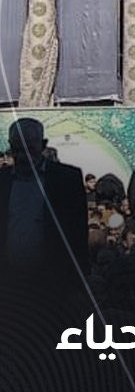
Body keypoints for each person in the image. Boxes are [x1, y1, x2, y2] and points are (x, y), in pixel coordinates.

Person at [0, 117, 88, 284]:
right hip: (7, 280)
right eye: (17, 149)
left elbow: (78, 232)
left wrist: (79, 281)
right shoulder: (2, 180)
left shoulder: (67, 180)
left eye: (29, 149)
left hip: (52, 279)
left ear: (43, 145)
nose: (22, 156)